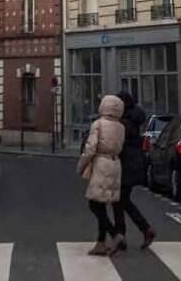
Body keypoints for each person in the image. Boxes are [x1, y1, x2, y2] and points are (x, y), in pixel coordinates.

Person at [77, 94, 125, 256]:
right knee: (102, 204)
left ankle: (114, 234)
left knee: (94, 204)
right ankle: (100, 242)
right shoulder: (121, 126)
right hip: (115, 164)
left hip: (101, 164)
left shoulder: (98, 124)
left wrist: (80, 167)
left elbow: (90, 149)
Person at [112, 91, 155, 250]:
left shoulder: (125, 123)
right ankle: (127, 233)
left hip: (127, 165)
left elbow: (118, 144)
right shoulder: (133, 119)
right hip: (134, 165)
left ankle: (129, 232)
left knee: (120, 199)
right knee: (121, 199)